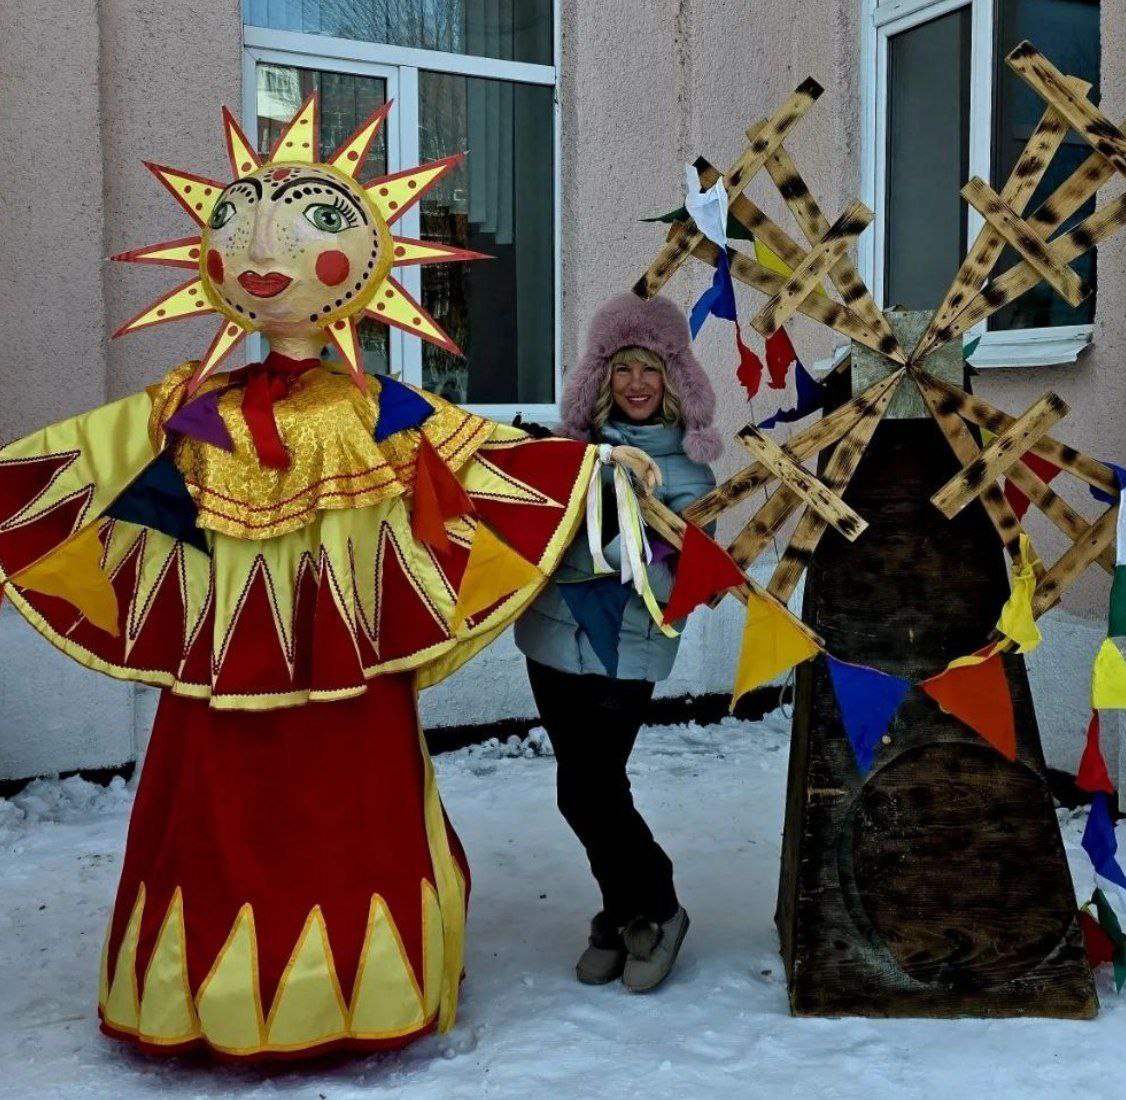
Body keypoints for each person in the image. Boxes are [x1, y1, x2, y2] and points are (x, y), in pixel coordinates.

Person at [0, 99, 655, 1061]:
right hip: (222, 675)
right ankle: (217, 990)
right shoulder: (197, 405)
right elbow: (87, 461)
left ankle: (346, 986)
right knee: (224, 809)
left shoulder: (368, 408)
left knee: (339, 807)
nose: (267, 262)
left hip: (342, 671)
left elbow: (472, 455)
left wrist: (595, 467)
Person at [514, 291, 722, 992]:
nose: (636, 384)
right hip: (550, 643)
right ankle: (619, 911)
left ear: (675, 382)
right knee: (580, 787)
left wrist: (636, 537)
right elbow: (534, 542)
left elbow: (684, 582)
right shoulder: (568, 456)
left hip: (624, 652)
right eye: (622, 369)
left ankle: (658, 906)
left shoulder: (690, 475)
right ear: (601, 379)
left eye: (651, 370)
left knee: (591, 788)